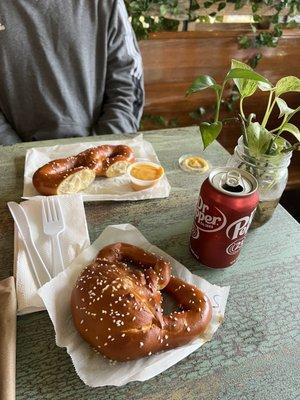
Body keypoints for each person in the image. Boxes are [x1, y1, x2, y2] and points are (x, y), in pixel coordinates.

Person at [0, 0, 144, 145]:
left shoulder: (105, 4)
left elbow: (127, 87)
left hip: (100, 151)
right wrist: (14, 152)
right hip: (13, 155)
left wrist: (99, 150)